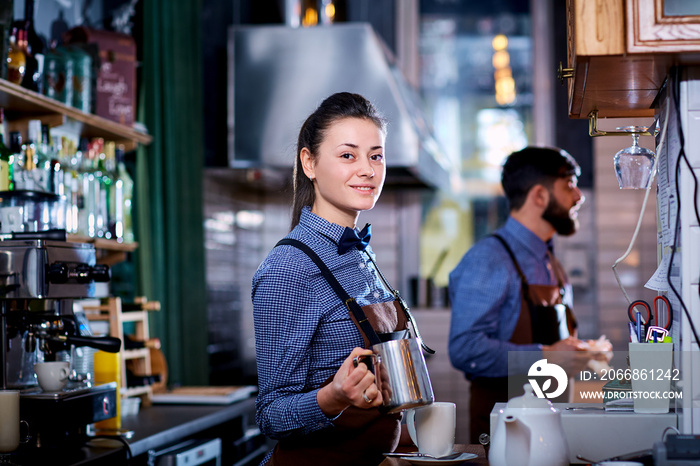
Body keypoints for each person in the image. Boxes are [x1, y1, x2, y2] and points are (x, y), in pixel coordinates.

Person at [252, 92, 409, 465]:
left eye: (376, 155)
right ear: (309, 163)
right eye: (347, 155)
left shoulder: (359, 253)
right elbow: (270, 414)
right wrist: (333, 396)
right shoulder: (290, 268)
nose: (368, 170)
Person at [448, 146, 611, 443]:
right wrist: (547, 357)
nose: (579, 196)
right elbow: (465, 350)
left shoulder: (550, 259)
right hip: (508, 431)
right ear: (539, 196)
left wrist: (581, 354)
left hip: (550, 422)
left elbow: (556, 342)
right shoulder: (489, 258)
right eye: (569, 185)